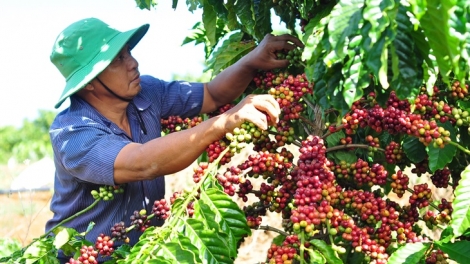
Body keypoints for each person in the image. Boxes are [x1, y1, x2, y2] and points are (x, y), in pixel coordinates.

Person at [46, 17, 303, 263]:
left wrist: (251, 61)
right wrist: (224, 122)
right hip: (87, 259)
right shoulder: (72, 133)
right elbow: (142, 162)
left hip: (145, 253)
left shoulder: (146, 93)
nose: (133, 63)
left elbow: (212, 94)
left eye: (129, 53)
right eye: (118, 60)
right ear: (89, 82)